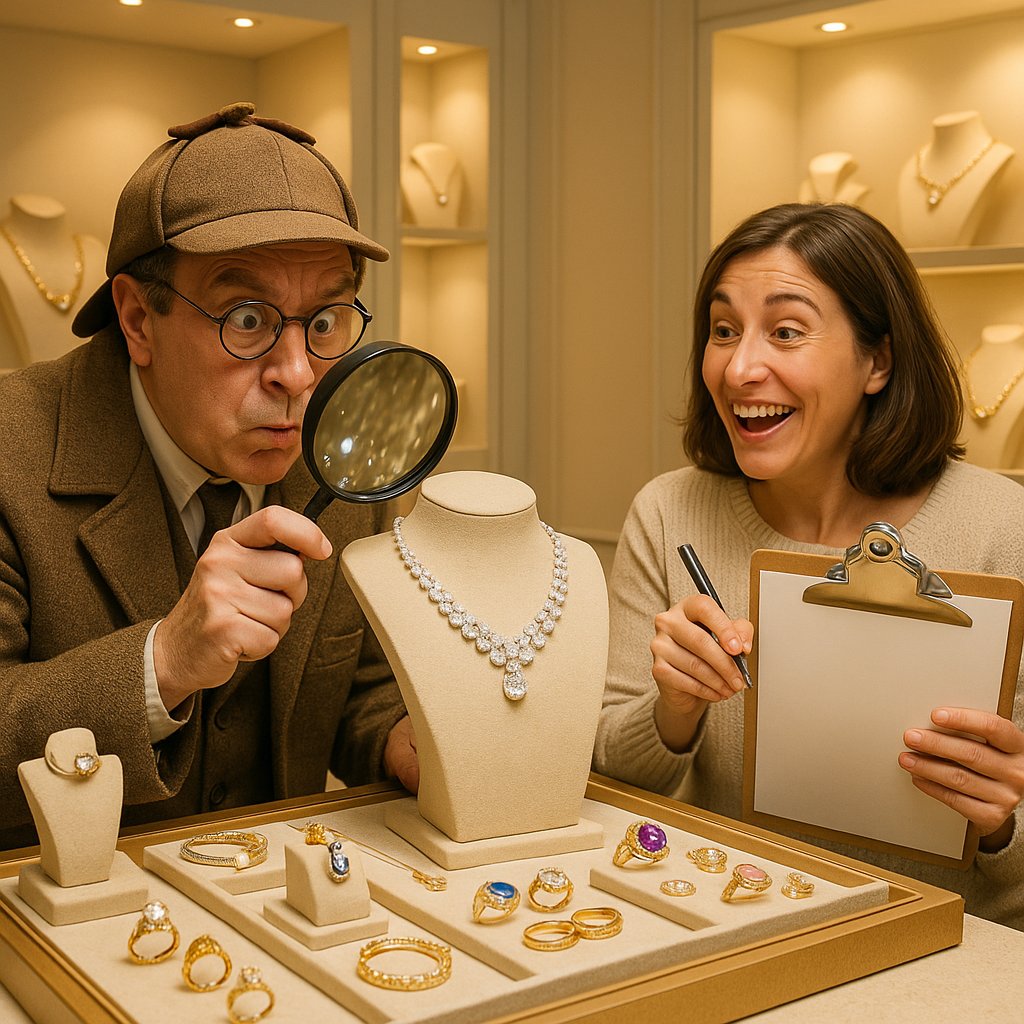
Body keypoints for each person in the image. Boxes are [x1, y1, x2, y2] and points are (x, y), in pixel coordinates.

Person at [0, 102, 419, 850]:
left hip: (279, 918)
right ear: (136, 319)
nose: (297, 376)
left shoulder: (349, 455)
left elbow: (356, 690)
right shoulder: (10, 450)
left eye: (324, 320)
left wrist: (403, 737)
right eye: (247, 318)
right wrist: (161, 661)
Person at [594, 203, 1024, 929]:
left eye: (786, 332)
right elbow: (607, 779)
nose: (739, 367)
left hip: (949, 952)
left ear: (878, 361)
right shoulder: (669, 512)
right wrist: (674, 710)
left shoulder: (1000, 527)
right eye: (723, 330)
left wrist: (1004, 820)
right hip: (723, 932)